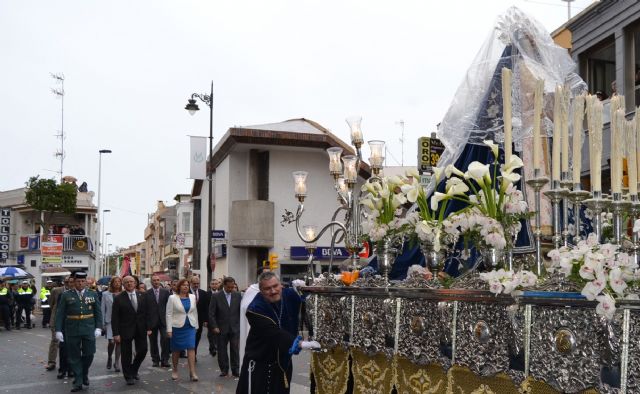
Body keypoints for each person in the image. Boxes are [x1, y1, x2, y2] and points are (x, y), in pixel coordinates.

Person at [236, 272, 319, 394]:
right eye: (267, 288)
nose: (273, 291)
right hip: (261, 367)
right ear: (261, 290)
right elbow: (273, 334)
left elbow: (308, 300)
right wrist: (300, 344)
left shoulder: (288, 294)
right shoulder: (255, 309)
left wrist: (304, 288)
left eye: (275, 286)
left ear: (281, 285)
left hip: (282, 364)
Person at [55, 271, 103, 392]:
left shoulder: (92, 294)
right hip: (72, 328)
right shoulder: (66, 295)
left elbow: (98, 312)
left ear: (86, 282)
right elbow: (60, 313)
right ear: (74, 282)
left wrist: (98, 327)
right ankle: (78, 380)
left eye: (83, 281)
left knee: (89, 353)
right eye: (78, 281)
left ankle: (84, 373)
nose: (80, 283)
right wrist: (58, 330)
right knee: (73, 356)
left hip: (88, 327)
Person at [111, 276, 150, 385]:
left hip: (141, 329)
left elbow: (147, 313)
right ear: (123, 284)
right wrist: (116, 333)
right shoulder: (119, 298)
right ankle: (128, 376)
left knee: (143, 350)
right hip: (125, 329)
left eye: (131, 282)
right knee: (126, 354)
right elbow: (115, 317)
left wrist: (149, 327)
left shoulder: (143, 295)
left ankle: (134, 369)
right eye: (127, 282)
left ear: (135, 283)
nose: (129, 284)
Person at [166, 279, 198, 381]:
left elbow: (194, 312)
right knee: (176, 350)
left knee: (191, 347)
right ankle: (175, 370)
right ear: (179, 287)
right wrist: (169, 329)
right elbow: (169, 314)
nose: (185, 287)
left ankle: (192, 372)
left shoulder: (193, 297)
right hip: (177, 327)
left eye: (187, 285)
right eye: (183, 285)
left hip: (190, 326)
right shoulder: (172, 298)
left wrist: (196, 325)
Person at [209, 276, 241, 377]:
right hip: (221, 328)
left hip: (235, 327)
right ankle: (224, 369)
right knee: (222, 350)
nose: (231, 289)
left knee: (235, 349)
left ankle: (235, 370)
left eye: (232, 287)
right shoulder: (216, 296)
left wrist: (240, 325)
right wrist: (214, 326)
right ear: (224, 285)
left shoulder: (238, 295)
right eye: (229, 287)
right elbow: (211, 313)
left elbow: (241, 311)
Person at [239, 268, 269, 362]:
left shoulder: (273, 289)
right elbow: (245, 307)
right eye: (265, 274)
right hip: (253, 327)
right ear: (259, 277)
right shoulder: (252, 290)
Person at [49, 276, 73, 377]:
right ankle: (52, 362)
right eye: (67, 281)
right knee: (55, 340)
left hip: (71, 322)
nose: (68, 283)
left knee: (69, 346)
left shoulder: (75, 292)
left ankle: (69, 367)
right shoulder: (56, 291)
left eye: (71, 281)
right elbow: (52, 304)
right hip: (57, 320)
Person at [146, 274, 170, 368]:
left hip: (164, 320)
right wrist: (147, 325)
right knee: (153, 342)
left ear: (160, 281)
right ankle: (155, 360)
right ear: (151, 282)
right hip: (152, 322)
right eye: (154, 280)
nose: (156, 282)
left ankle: (165, 360)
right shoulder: (147, 293)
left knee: (165, 339)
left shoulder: (165, 292)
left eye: (157, 280)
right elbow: (146, 309)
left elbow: (169, 307)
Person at [101, 276, 123, 372]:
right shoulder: (105, 294)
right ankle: (109, 357)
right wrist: (102, 324)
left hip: (121, 321)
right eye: (115, 281)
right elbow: (102, 309)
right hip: (109, 321)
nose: (117, 283)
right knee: (111, 342)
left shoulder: (123, 294)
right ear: (112, 283)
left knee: (119, 342)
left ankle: (117, 362)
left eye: (119, 281)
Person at [189, 276, 209, 361]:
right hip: (188, 319)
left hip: (199, 320)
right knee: (190, 337)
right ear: (190, 283)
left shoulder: (203, 293)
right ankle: (190, 354)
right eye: (194, 283)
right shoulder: (186, 292)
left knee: (197, 337)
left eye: (198, 283)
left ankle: (194, 353)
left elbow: (206, 308)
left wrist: (205, 320)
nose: (196, 285)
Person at [206, 278, 221, 357]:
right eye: (213, 284)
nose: (214, 285)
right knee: (210, 334)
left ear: (218, 285)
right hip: (210, 317)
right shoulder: (207, 294)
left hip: (219, 318)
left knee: (218, 334)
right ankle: (212, 348)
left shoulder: (221, 294)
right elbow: (205, 307)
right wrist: (205, 319)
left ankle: (216, 346)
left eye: (216, 284)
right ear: (210, 285)